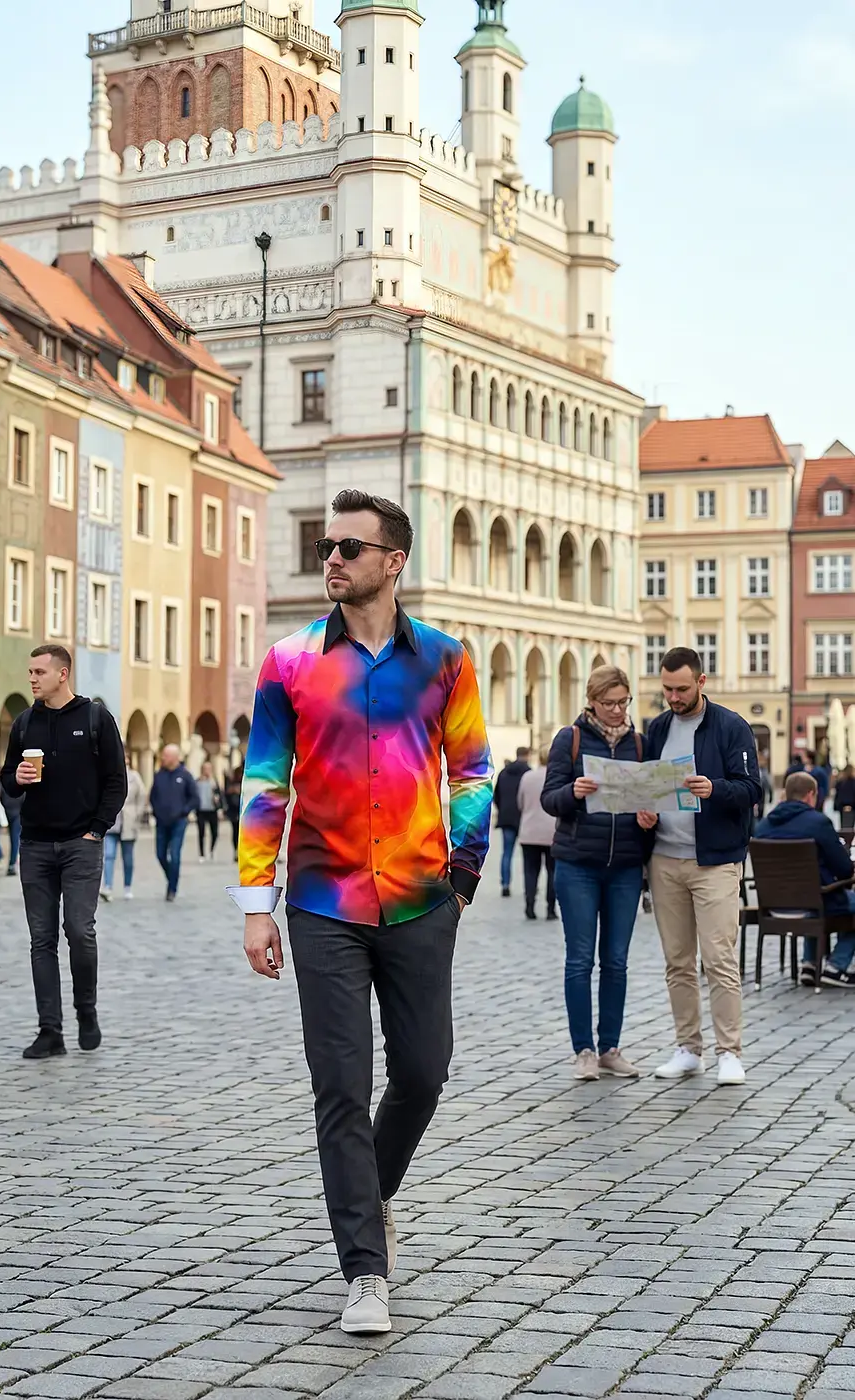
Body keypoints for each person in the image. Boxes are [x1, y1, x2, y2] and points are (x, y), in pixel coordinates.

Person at [232, 489, 493, 1336]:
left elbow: (474, 771)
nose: (332, 558)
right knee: (340, 1085)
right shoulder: (290, 663)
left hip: (422, 900)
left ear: (393, 561)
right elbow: (266, 785)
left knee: (422, 1071)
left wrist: (461, 878)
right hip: (322, 903)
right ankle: (365, 1270)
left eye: (350, 546)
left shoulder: (447, 661)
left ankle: (369, 1195)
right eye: (326, 546)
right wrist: (255, 903)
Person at [0, 645, 126, 1060]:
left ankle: (85, 1011)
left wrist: (96, 829)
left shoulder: (95, 718)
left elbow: (116, 781)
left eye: (39, 672)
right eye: (30, 671)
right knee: (41, 940)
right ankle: (49, 1030)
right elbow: (8, 782)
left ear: (63, 674)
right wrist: (16, 778)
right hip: (34, 844)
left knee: (79, 930)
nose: (32, 678)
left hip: (80, 845)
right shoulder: (24, 723)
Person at [646, 647, 760, 1086]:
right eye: (667, 689)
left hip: (715, 861)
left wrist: (715, 788)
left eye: (681, 689)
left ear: (701, 682)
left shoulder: (731, 727)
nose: (673, 697)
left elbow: (752, 789)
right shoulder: (658, 728)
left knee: (719, 959)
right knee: (677, 961)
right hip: (665, 857)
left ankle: (729, 1051)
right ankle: (687, 1048)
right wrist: (645, 810)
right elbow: (648, 783)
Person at [542, 666, 652, 1081]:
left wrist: (648, 818)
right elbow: (549, 799)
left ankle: (610, 1047)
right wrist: (574, 792)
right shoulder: (569, 740)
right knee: (580, 960)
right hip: (577, 865)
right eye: (609, 703)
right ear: (592, 700)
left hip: (624, 866)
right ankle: (583, 1050)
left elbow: (652, 797)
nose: (617, 710)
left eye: (623, 702)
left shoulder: (639, 744)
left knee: (617, 961)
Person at [755, 772, 855, 986]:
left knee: (813, 892)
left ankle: (809, 964)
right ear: (811, 795)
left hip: (773, 907)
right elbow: (845, 869)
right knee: (828, 896)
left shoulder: (762, 827)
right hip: (815, 903)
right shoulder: (818, 823)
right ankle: (836, 967)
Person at [150, 745, 199, 901]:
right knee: (160, 854)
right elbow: (153, 796)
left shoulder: (185, 776)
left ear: (174, 757)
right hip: (161, 822)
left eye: (165, 755)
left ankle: (172, 888)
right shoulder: (159, 775)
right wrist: (156, 811)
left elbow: (194, 798)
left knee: (175, 855)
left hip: (179, 822)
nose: (162, 758)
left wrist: (184, 811)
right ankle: (172, 878)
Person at [517, 747, 556, 921]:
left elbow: (520, 802)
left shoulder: (528, 777)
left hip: (529, 831)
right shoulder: (557, 778)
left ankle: (530, 906)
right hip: (552, 832)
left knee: (530, 871)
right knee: (552, 872)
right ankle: (550, 908)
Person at [102, 758, 147, 901]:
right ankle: (107, 886)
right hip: (111, 823)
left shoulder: (134, 777)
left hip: (129, 822)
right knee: (108, 855)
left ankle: (127, 887)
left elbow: (142, 796)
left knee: (127, 858)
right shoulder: (107, 775)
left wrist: (137, 814)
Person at [493, 748, 530, 896]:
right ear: (527, 755)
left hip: (506, 818)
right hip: (524, 818)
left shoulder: (504, 772)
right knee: (529, 856)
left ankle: (506, 884)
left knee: (506, 853)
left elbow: (496, 795)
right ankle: (530, 886)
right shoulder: (529, 773)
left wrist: (502, 809)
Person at [196, 759, 222, 862]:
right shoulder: (197, 782)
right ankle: (201, 854)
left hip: (212, 810)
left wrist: (219, 806)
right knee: (201, 832)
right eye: (205, 768)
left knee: (215, 832)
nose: (207, 770)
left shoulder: (214, 782)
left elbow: (220, 795)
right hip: (201, 810)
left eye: (209, 769)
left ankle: (211, 850)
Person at [0, 777, 24, 876]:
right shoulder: (19, 780)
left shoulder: (7, 780)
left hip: (9, 811)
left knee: (13, 837)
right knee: (15, 838)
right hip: (17, 811)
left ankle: (12, 862)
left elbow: (2, 796)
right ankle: (12, 864)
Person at [224, 763, 244, 854]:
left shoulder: (243, 783)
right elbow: (228, 797)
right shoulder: (233, 784)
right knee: (236, 831)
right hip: (235, 811)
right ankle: (237, 850)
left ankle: (239, 850)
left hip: (240, 810)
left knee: (239, 832)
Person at [835, 765, 855, 832]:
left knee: (843, 826)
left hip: (842, 806)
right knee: (850, 827)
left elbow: (838, 795)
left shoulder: (840, 782)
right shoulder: (853, 782)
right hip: (852, 806)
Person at [757, 754, 774, 820]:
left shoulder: (763, 770)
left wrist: (770, 794)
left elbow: (767, 782)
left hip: (761, 790)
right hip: (758, 790)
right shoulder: (761, 770)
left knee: (761, 808)